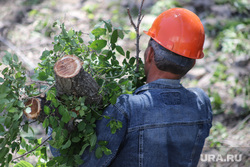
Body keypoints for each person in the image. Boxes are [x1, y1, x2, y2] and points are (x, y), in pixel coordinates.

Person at [50, 8, 213, 167]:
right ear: (192, 64)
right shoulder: (201, 103)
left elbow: (80, 162)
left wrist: (56, 122)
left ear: (149, 54)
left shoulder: (128, 108)